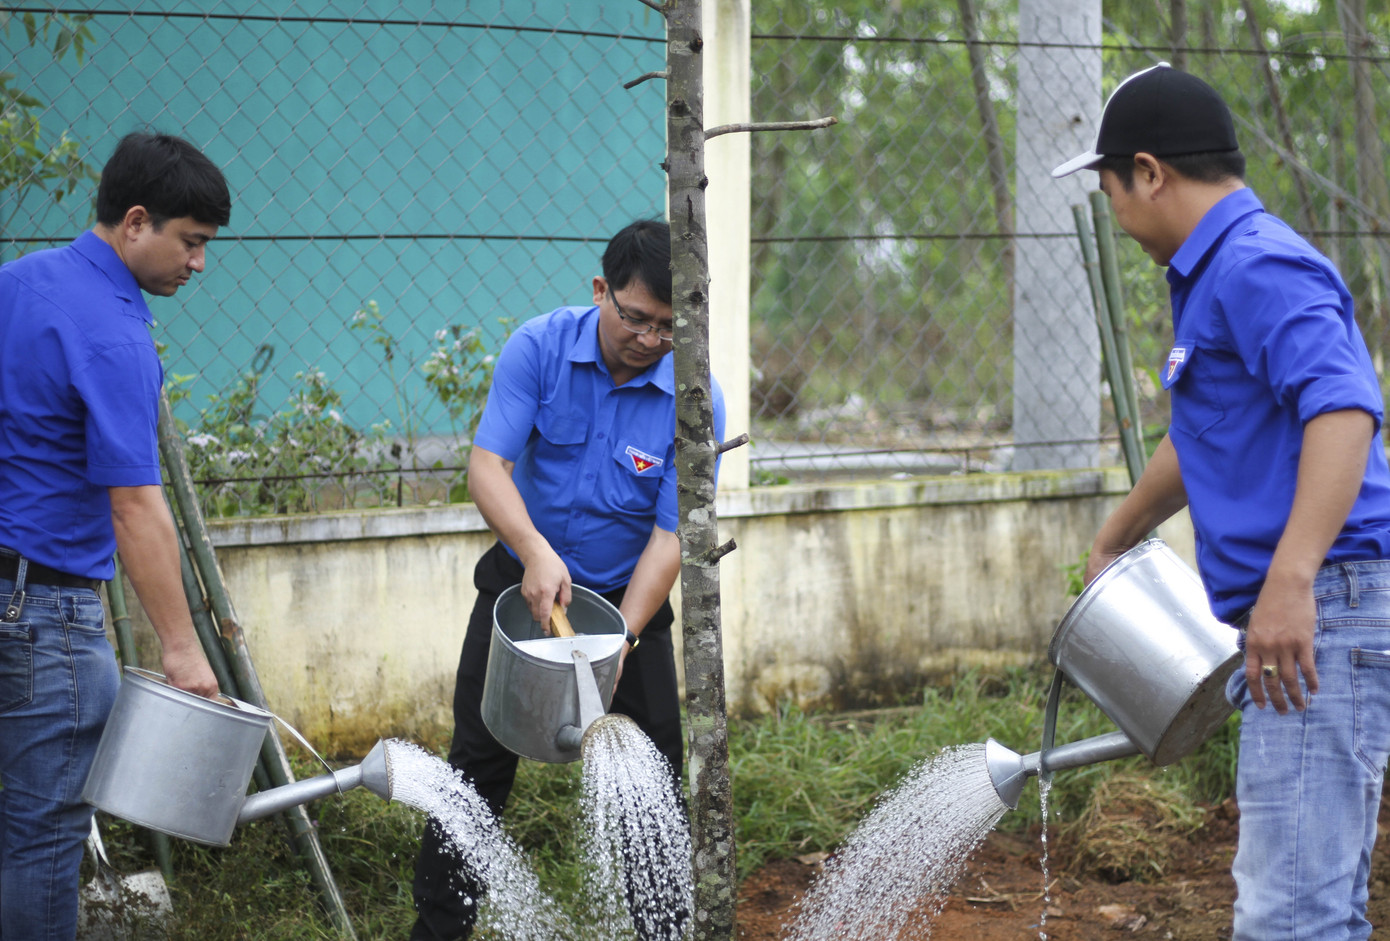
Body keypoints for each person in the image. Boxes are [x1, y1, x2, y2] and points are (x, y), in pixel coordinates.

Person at [1054, 64, 1390, 940]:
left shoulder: (1255, 263)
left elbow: (1345, 406)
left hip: (1322, 610)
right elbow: (1206, 430)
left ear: (1151, 171)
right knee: (1314, 906)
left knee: (1291, 917)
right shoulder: (1213, 274)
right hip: (1312, 610)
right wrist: (1121, 529)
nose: (1114, 211)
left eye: (1110, 185)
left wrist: (1290, 580)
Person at [410, 218, 726, 941]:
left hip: (626, 600)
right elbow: (488, 466)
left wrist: (622, 638)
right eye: (636, 318)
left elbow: (671, 534)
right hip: (522, 583)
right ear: (600, 291)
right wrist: (533, 550)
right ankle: (437, 931)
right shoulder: (540, 346)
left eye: (669, 328)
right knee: (474, 769)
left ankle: (663, 932)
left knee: (649, 783)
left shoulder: (695, 394)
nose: (650, 340)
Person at [0, 132, 227, 940]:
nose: (198, 264)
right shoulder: (116, 335)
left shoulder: (15, 284)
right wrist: (181, 647)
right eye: (191, 242)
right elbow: (134, 504)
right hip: (46, 617)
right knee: (40, 833)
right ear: (137, 221)